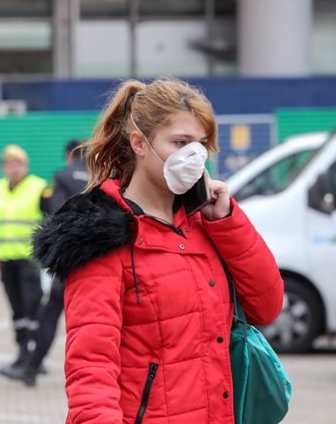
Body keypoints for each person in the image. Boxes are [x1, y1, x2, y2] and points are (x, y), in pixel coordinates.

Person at [33, 78, 284, 423]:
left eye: (201, 145)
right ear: (139, 142)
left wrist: (227, 221)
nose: (193, 156)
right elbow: (91, 369)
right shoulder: (102, 237)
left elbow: (267, 307)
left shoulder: (205, 222)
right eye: (180, 142)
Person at [3, 139, 88, 387]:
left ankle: (32, 367)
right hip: (103, 257)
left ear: (68, 155)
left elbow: (57, 212)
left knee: (51, 310)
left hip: (72, 258)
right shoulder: (103, 174)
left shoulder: (62, 176)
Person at [0, 144, 49, 378]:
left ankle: (35, 356)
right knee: (17, 310)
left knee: (33, 308)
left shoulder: (39, 188)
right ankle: (22, 352)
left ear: (25, 166)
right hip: (5, 258)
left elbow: (49, 219)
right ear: (3, 167)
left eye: (18, 164)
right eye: (9, 164)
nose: (14, 168)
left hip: (29, 260)